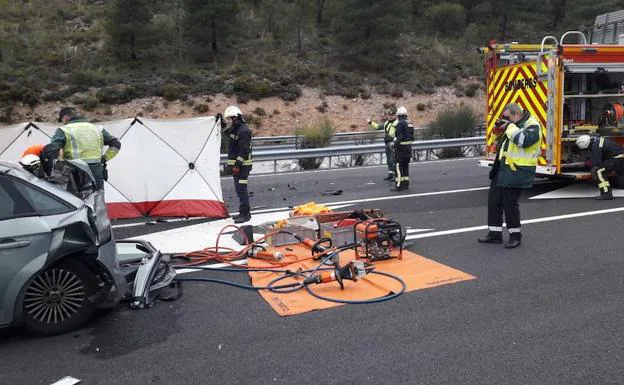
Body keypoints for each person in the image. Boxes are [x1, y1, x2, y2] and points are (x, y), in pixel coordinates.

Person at [478, 103, 542, 249]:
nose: (505, 120)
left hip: (517, 171)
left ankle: (515, 235)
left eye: (506, 117)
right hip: (502, 169)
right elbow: (497, 143)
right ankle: (494, 234)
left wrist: (508, 127)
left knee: (510, 204)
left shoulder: (532, 125)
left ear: (516, 114)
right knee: (494, 202)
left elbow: (523, 141)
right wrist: (497, 129)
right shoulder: (512, 126)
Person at [47, 107, 121, 190]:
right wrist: (104, 158)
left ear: (65, 118)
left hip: (74, 171)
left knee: (74, 200)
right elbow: (116, 144)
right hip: (96, 171)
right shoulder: (98, 129)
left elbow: (53, 150)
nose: (63, 123)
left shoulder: (64, 130)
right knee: (97, 198)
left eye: (62, 120)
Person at [222, 106, 253, 223]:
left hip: (243, 167)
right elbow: (230, 135)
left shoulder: (244, 131)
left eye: (229, 119)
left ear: (235, 118)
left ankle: (246, 214)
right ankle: (242, 212)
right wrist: (221, 124)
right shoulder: (237, 129)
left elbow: (244, 151)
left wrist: (237, 165)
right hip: (239, 166)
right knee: (239, 190)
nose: (227, 122)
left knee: (241, 189)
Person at [575, 134, 624, 200]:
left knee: (598, 171)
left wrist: (587, 163)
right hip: (620, 158)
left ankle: (606, 194)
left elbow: (596, 163)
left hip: (617, 159)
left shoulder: (595, 146)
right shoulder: (598, 140)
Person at [367, 107, 398, 181]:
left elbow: (399, 134)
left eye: (392, 115)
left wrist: (395, 141)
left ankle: (395, 175)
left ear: (395, 115)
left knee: (393, 159)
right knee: (388, 160)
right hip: (387, 143)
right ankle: (390, 174)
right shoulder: (386, 123)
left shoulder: (397, 123)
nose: (390, 116)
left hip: (393, 143)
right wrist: (370, 122)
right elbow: (378, 127)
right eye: (389, 115)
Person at [391, 106, 414, 192]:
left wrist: (394, 144)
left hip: (401, 149)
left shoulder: (400, 123)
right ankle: (406, 184)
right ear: (406, 115)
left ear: (398, 115)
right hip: (408, 149)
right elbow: (412, 137)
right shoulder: (410, 124)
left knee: (398, 167)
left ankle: (399, 185)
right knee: (405, 166)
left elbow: (400, 136)